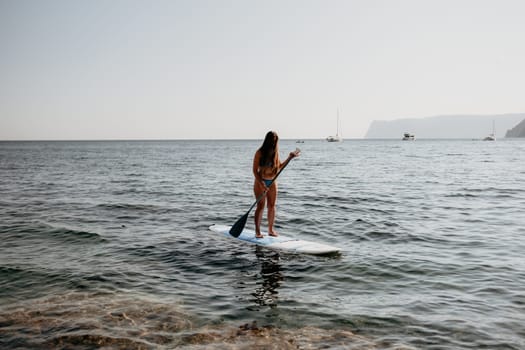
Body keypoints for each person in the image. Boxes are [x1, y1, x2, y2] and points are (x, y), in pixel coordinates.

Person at [252, 131, 300, 238]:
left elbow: (279, 168)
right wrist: (262, 183)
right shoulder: (259, 152)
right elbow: (255, 171)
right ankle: (257, 231)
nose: (273, 143)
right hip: (261, 181)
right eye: (272, 140)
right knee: (260, 206)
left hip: (272, 182)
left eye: (275, 140)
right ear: (267, 140)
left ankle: (270, 230)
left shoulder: (275, 152)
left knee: (272, 206)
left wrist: (289, 157)